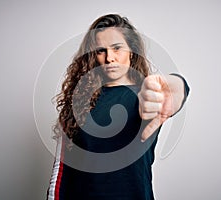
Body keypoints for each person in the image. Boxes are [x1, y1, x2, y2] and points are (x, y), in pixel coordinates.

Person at [47, 14, 190, 200]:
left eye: (117, 48)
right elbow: (61, 169)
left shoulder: (145, 95)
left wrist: (177, 85)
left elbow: (172, 90)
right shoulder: (79, 100)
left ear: (132, 50)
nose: (109, 58)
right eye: (101, 50)